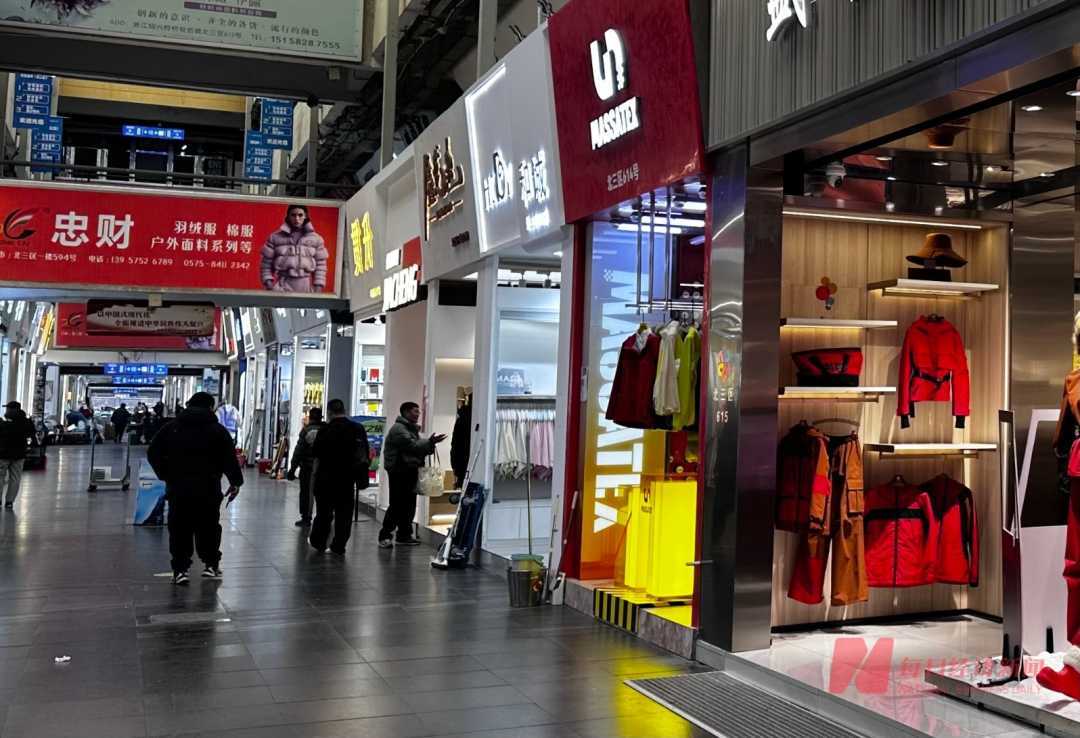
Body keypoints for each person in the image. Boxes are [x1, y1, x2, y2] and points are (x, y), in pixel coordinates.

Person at [148, 392, 243, 585]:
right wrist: (235, 482)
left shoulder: (172, 428)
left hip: (178, 488)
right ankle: (211, 565)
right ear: (210, 407)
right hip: (208, 488)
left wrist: (166, 474)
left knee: (179, 528)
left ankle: (180, 570)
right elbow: (229, 459)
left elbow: (153, 452)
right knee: (208, 527)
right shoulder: (218, 431)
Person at [379, 402, 445, 548]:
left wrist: (429, 443)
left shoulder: (410, 429)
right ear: (406, 412)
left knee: (408, 505)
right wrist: (429, 442)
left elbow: (417, 447)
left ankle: (404, 535)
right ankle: (385, 535)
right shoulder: (399, 429)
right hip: (399, 471)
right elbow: (412, 446)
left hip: (409, 470)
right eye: (415, 411)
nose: (418, 414)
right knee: (397, 504)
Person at [309, 399, 368, 555]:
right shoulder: (357, 428)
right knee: (344, 514)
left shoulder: (325, 430)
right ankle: (339, 545)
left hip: (325, 478)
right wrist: (362, 477)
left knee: (324, 512)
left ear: (329, 412)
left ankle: (319, 542)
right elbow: (363, 454)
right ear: (344, 410)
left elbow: (316, 453)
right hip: (346, 479)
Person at [260, 204, 330, 293]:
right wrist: (268, 283)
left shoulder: (316, 239)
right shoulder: (275, 238)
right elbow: (266, 264)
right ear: (288, 217)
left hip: (305, 288)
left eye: (300, 215)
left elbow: (321, 265)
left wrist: (318, 286)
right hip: (282, 287)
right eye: (293, 215)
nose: (297, 218)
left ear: (305, 216)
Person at [287, 407, 325, 527]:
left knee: (306, 493)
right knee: (323, 494)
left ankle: (306, 518)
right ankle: (324, 517)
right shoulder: (326, 429)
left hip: (308, 468)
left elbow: (298, 452)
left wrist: (292, 469)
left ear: (310, 417)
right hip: (324, 468)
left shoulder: (306, 430)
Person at [0, 402, 36, 508]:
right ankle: (9, 501)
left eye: (8, 408)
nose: (6, 410)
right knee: (15, 478)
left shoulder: (5, 423)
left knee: (0, 477)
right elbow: (31, 433)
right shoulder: (26, 422)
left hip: (4, 454)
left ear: (13, 410)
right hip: (19, 455)